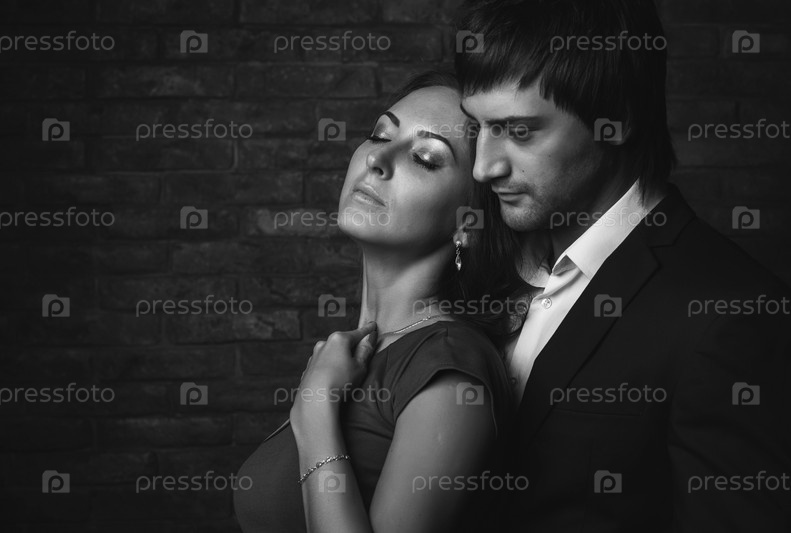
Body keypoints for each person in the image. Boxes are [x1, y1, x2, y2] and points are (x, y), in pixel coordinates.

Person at [455, 0, 791, 531]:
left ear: (618, 121)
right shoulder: (485, 258)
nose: (483, 167)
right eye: (477, 127)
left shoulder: (730, 315)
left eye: (518, 131)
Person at [234, 71, 525, 533]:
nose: (377, 159)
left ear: (466, 223)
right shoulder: (352, 354)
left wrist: (315, 414)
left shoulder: (451, 368)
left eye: (425, 158)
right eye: (380, 135)